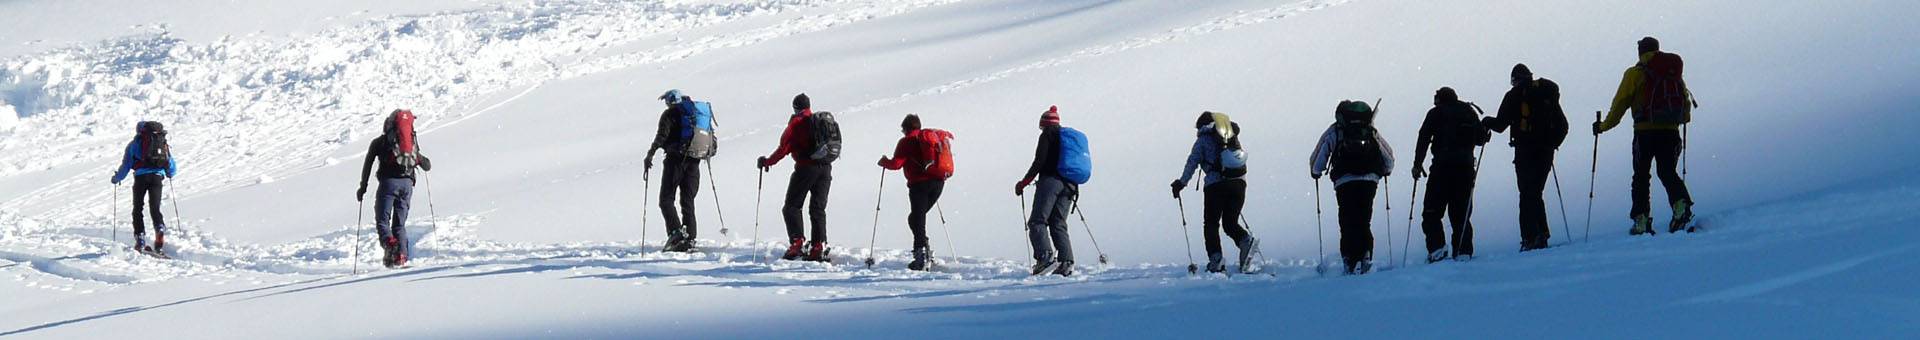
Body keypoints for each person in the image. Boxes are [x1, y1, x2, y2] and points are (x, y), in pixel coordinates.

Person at [1595, 36, 1696, 234]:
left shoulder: (1635, 73)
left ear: (1640, 52)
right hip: (1670, 131)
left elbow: (1620, 103)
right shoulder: (1673, 74)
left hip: (1645, 132)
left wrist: (1603, 126)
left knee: (1641, 176)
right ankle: (1681, 205)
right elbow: (1684, 103)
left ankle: (1641, 220)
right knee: (1667, 171)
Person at [1484, 64, 1570, 251]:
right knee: (1536, 192)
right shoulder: (1547, 94)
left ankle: (1531, 237)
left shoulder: (1513, 96)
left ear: (1515, 80)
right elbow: (1563, 125)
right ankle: (1542, 233)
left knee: (1527, 193)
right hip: (1546, 151)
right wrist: (1553, 143)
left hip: (1525, 151)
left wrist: (1486, 122)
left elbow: (1500, 125)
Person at [1309, 100, 1394, 275]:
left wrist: (1316, 172)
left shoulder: (1336, 130)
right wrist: (1386, 170)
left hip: (1344, 180)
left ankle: (1349, 258)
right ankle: (1365, 254)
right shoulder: (1369, 130)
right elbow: (1389, 157)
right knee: (1364, 219)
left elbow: (1318, 158)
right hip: (1369, 179)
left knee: (1347, 220)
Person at [1170, 111, 1260, 273]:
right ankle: (1245, 241)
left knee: (1211, 224)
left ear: (1200, 126)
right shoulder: (1231, 135)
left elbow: (1192, 162)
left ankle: (1216, 259)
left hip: (1215, 186)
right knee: (1230, 222)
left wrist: (1181, 183)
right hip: (1239, 183)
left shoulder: (1202, 140)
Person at [1412, 88, 1491, 261]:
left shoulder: (1435, 113)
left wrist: (1417, 165)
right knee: (1461, 213)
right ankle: (1463, 251)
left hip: (1441, 168)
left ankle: (1437, 249)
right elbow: (1480, 139)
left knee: (1432, 212)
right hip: (1466, 168)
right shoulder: (1468, 111)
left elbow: (1423, 137)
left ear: (1439, 99)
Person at [758, 94, 833, 261]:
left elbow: (784, 148)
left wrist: (767, 162)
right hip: (826, 168)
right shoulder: (820, 121)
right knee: (817, 209)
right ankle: (818, 246)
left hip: (806, 168)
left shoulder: (796, 124)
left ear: (795, 107)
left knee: (791, 207)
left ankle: (797, 243)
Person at [357, 110, 433, 268]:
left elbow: (368, 165)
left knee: (382, 221)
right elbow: (427, 165)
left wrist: (362, 187)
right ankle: (401, 258)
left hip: (388, 184)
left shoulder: (379, 143)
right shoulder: (410, 145)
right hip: (407, 185)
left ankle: (390, 245)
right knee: (399, 225)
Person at [877, 114, 954, 271]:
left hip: (919, 185)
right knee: (916, 218)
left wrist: (884, 162)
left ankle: (921, 255)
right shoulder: (930, 140)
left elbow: (896, 164)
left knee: (918, 220)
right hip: (938, 183)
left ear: (905, 129)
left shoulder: (906, 142)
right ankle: (924, 249)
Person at [1014, 106, 1078, 276]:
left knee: (1037, 221)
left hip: (1051, 182)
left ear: (1043, 123)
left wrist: (1024, 182)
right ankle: (1066, 262)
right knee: (1058, 223)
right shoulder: (1066, 138)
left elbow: (1039, 161)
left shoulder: (1047, 135)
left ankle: (1045, 257)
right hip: (1070, 184)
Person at [644, 89, 702, 252]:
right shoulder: (695, 114)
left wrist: (651, 153)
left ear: (670, 100)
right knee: (688, 201)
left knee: (666, 199)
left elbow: (661, 135)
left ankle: (676, 233)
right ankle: (690, 238)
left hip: (675, 161)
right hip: (694, 161)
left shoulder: (669, 115)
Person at [111, 121, 179, 255]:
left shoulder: (134, 144)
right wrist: (169, 173)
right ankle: (159, 230)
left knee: (138, 208)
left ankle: (140, 239)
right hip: (157, 178)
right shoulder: (162, 142)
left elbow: (126, 165)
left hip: (141, 179)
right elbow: (171, 165)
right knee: (155, 208)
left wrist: (116, 178)